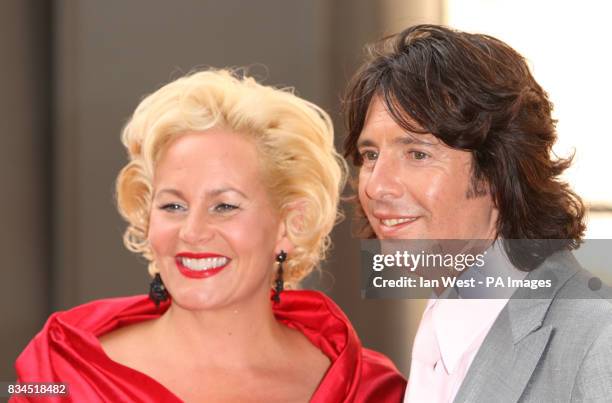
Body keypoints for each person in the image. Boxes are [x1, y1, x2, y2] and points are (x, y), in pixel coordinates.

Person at [14, 69, 406, 402]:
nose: (193, 232)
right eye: (172, 206)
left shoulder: (368, 389)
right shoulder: (60, 372)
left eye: (225, 206)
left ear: (290, 224)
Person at [343, 24, 612, 402]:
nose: (375, 185)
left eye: (417, 154)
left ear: (498, 170)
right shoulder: (443, 322)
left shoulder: (600, 344)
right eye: (371, 155)